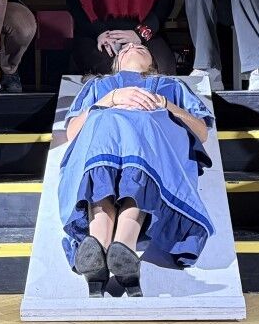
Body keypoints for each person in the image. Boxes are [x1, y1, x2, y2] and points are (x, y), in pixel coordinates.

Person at [58, 43, 214, 295]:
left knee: (143, 135)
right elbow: (72, 132)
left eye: (140, 45)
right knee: (104, 127)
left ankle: (118, 245)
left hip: (154, 145)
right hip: (104, 143)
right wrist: (110, 100)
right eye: (125, 48)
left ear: (153, 62)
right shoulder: (98, 87)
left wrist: (164, 104)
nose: (131, 45)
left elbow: (201, 132)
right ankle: (104, 245)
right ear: (115, 64)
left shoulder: (172, 86)